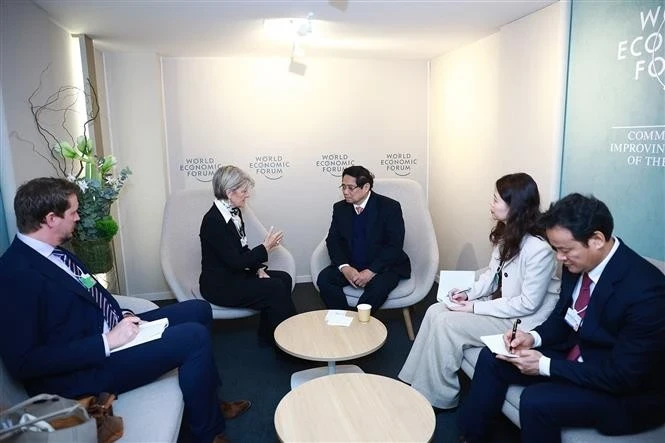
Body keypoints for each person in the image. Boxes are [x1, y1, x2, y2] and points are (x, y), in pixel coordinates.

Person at [0, 177, 250, 443]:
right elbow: (25, 362)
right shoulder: (15, 274)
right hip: (83, 369)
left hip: (113, 331)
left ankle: (208, 402)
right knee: (193, 338)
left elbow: (92, 290)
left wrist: (119, 315)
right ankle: (207, 434)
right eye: (73, 212)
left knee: (198, 310)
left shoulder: (57, 253)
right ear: (51, 219)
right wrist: (107, 341)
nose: (78, 217)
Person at [457, 193, 665, 443]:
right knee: (492, 358)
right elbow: (561, 318)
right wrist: (530, 338)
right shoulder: (576, 265)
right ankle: (473, 437)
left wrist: (544, 365)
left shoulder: (647, 291)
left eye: (565, 250)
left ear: (597, 239)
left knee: (536, 401)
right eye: (556, 249)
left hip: (621, 389)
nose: (559, 258)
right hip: (576, 357)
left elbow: (621, 375)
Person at [399, 172, 560, 409]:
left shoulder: (539, 249)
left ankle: (441, 397)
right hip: (504, 307)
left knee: (448, 324)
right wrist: (468, 294)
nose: (491, 204)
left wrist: (473, 307)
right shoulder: (508, 233)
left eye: (496, 200)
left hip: (522, 321)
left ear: (514, 206)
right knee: (435, 310)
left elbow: (528, 304)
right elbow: (491, 276)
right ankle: (414, 380)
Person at [199, 165, 296, 346]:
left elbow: (241, 250)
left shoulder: (233, 213)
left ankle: (268, 335)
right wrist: (265, 247)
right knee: (274, 287)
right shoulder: (213, 221)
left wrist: (258, 268)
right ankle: (291, 342)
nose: (247, 195)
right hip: (220, 286)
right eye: (243, 191)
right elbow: (235, 262)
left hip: (235, 276)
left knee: (284, 278)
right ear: (229, 192)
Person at [317, 165, 411, 313]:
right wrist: (344, 267)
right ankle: (342, 317)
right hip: (352, 264)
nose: (345, 192)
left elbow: (394, 245)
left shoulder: (389, 207)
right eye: (343, 186)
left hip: (383, 266)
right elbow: (333, 241)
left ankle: (358, 324)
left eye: (350, 187)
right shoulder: (340, 208)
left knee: (378, 288)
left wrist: (371, 271)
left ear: (366, 187)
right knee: (325, 279)